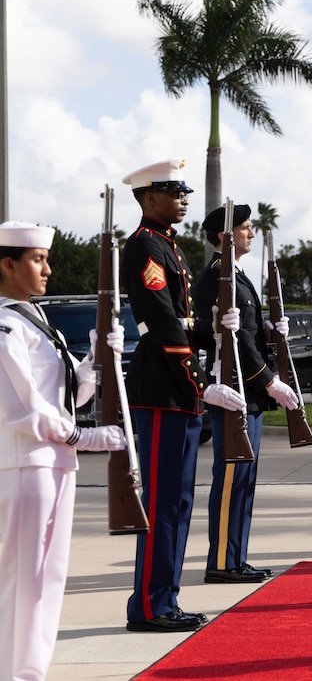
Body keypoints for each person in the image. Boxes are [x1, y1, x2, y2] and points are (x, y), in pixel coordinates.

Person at [120, 158, 246, 632]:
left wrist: (216, 335)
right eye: (174, 192)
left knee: (177, 503)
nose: (184, 199)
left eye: (184, 192)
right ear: (149, 197)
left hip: (179, 394)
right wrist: (201, 379)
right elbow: (167, 329)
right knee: (162, 504)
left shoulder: (168, 246)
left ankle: (165, 599)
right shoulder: (145, 247)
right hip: (162, 391)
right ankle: (151, 607)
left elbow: (186, 324)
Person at [0, 222, 127, 680]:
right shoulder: (6, 325)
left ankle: (28, 671)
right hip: (28, 464)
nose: (48, 269)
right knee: (26, 581)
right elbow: (26, 409)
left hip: (52, 463)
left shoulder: (34, 318)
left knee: (46, 581)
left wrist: (97, 359)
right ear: (7, 264)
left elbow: (72, 392)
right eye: (37, 259)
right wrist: (85, 438)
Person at [193, 204, 298, 585]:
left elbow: (249, 335)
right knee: (231, 477)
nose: (251, 234)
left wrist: (270, 330)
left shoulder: (237, 275)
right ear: (225, 236)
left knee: (244, 478)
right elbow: (219, 338)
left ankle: (235, 557)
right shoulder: (214, 278)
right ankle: (221, 561)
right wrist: (269, 380)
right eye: (245, 228)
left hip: (246, 393)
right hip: (232, 391)